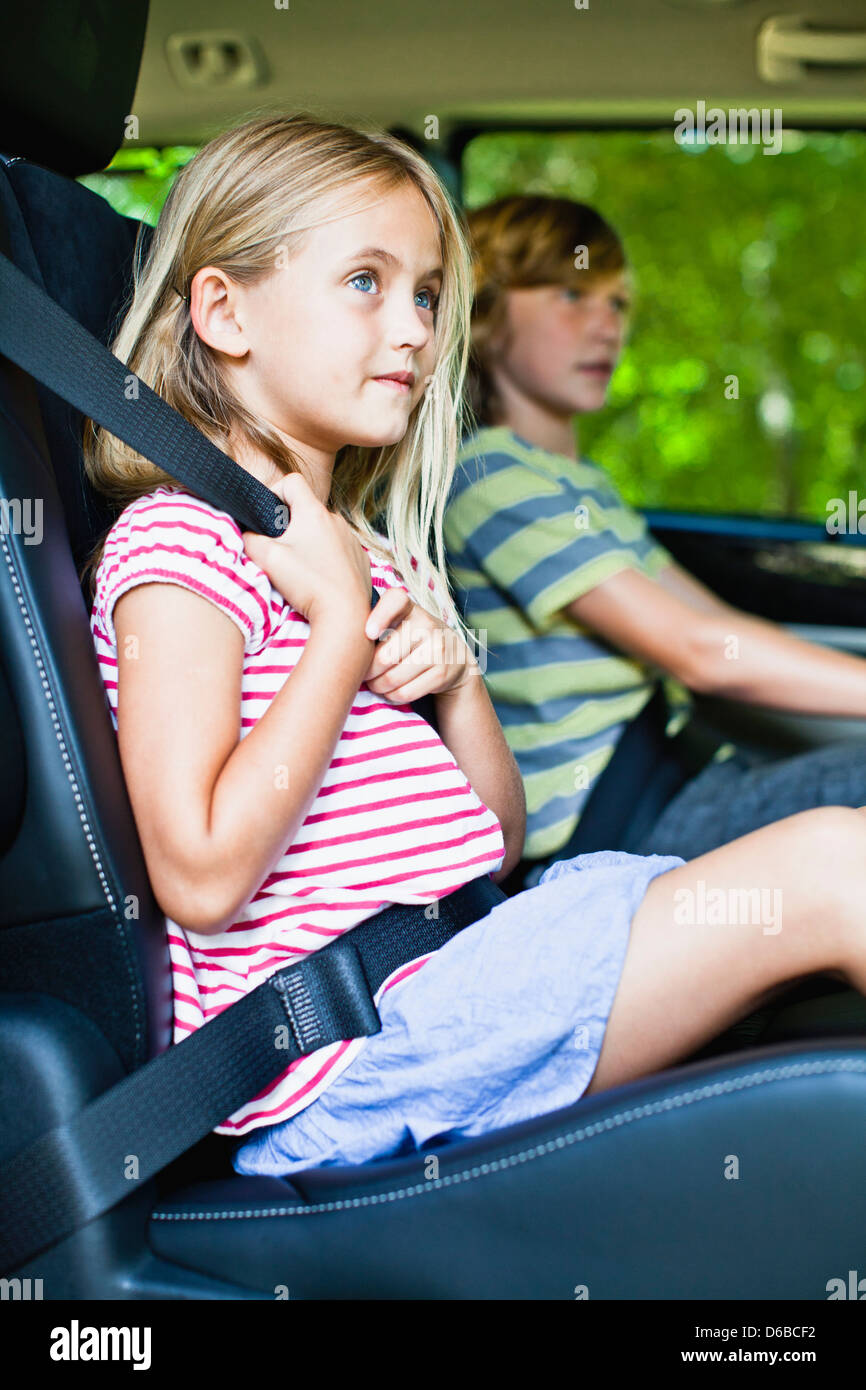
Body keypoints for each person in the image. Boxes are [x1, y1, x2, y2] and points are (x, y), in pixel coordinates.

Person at [81, 115, 866, 1179]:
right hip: (344, 1053)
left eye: (424, 294)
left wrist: (453, 683)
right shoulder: (182, 544)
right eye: (364, 281)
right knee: (828, 863)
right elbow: (205, 878)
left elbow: (492, 845)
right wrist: (337, 630)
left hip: (460, 970)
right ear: (223, 310)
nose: (411, 328)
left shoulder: (352, 551)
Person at [447, 194, 866, 891]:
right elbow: (698, 654)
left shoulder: (582, 485)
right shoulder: (489, 474)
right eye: (573, 293)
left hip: (679, 779)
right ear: (487, 313)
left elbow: (717, 627)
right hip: (616, 832)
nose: (607, 325)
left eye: (618, 303)